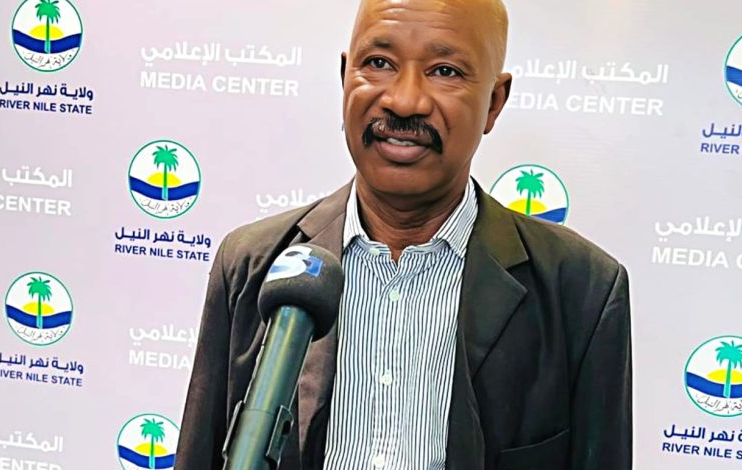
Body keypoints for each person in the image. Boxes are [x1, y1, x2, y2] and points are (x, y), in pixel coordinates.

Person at [176, 0, 632, 469]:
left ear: (494, 102)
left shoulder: (583, 291)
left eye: (444, 71)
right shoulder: (254, 264)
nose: (404, 100)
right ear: (344, 76)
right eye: (379, 63)